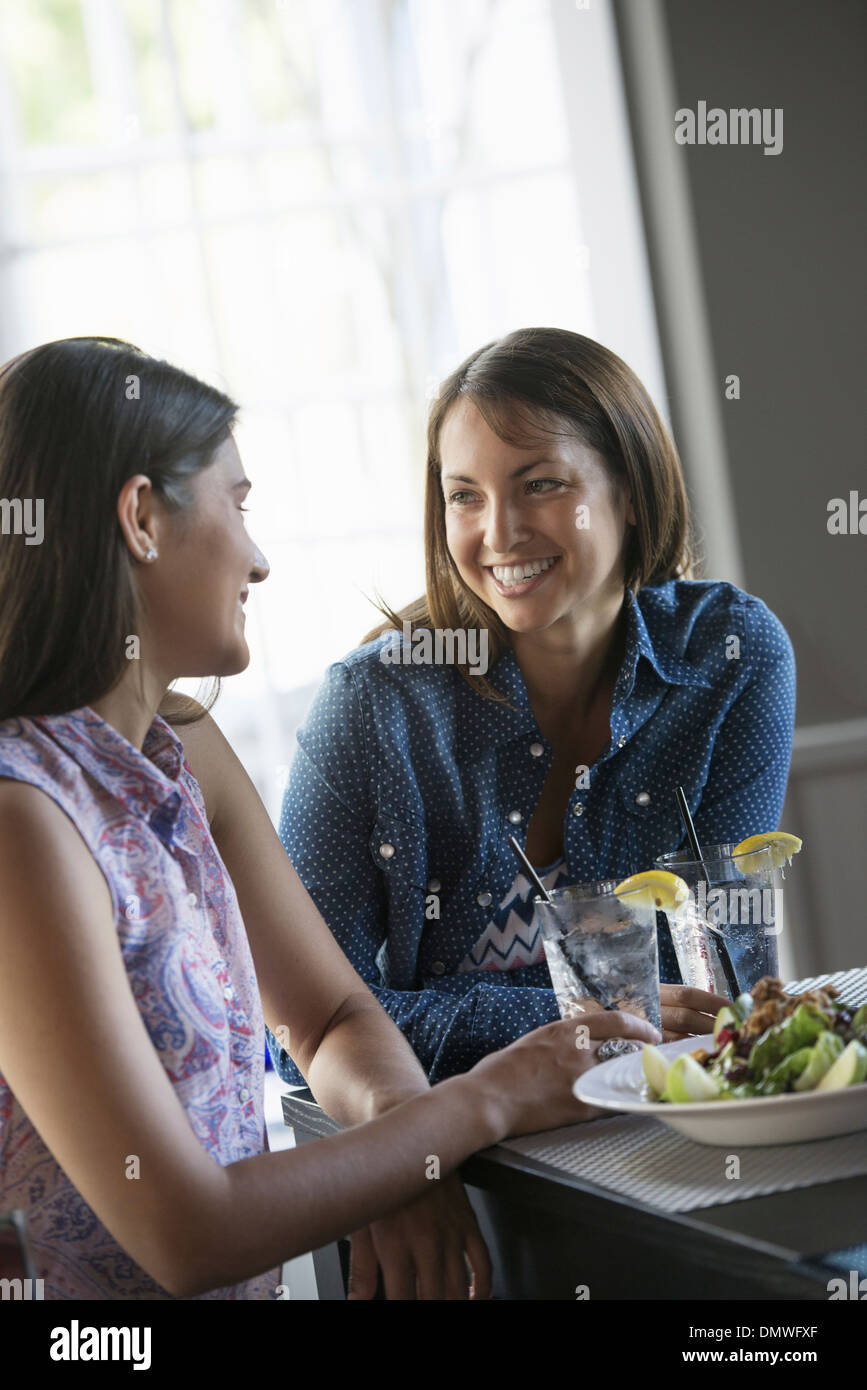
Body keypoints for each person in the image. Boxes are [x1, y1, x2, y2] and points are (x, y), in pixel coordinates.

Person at [0, 336, 661, 1301]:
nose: (259, 561)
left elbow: (330, 1013)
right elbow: (189, 1234)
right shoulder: (22, 821)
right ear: (141, 517)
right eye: (237, 505)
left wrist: (407, 1153)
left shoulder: (182, 745)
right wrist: (484, 1101)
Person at [268, 326, 795, 1090]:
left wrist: (451, 1016)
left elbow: (714, 979)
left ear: (631, 493)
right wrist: (564, 1019)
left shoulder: (730, 655)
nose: (499, 533)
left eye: (540, 484)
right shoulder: (372, 709)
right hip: (460, 1162)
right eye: (464, 497)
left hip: (683, 1110)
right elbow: (301, 1027)